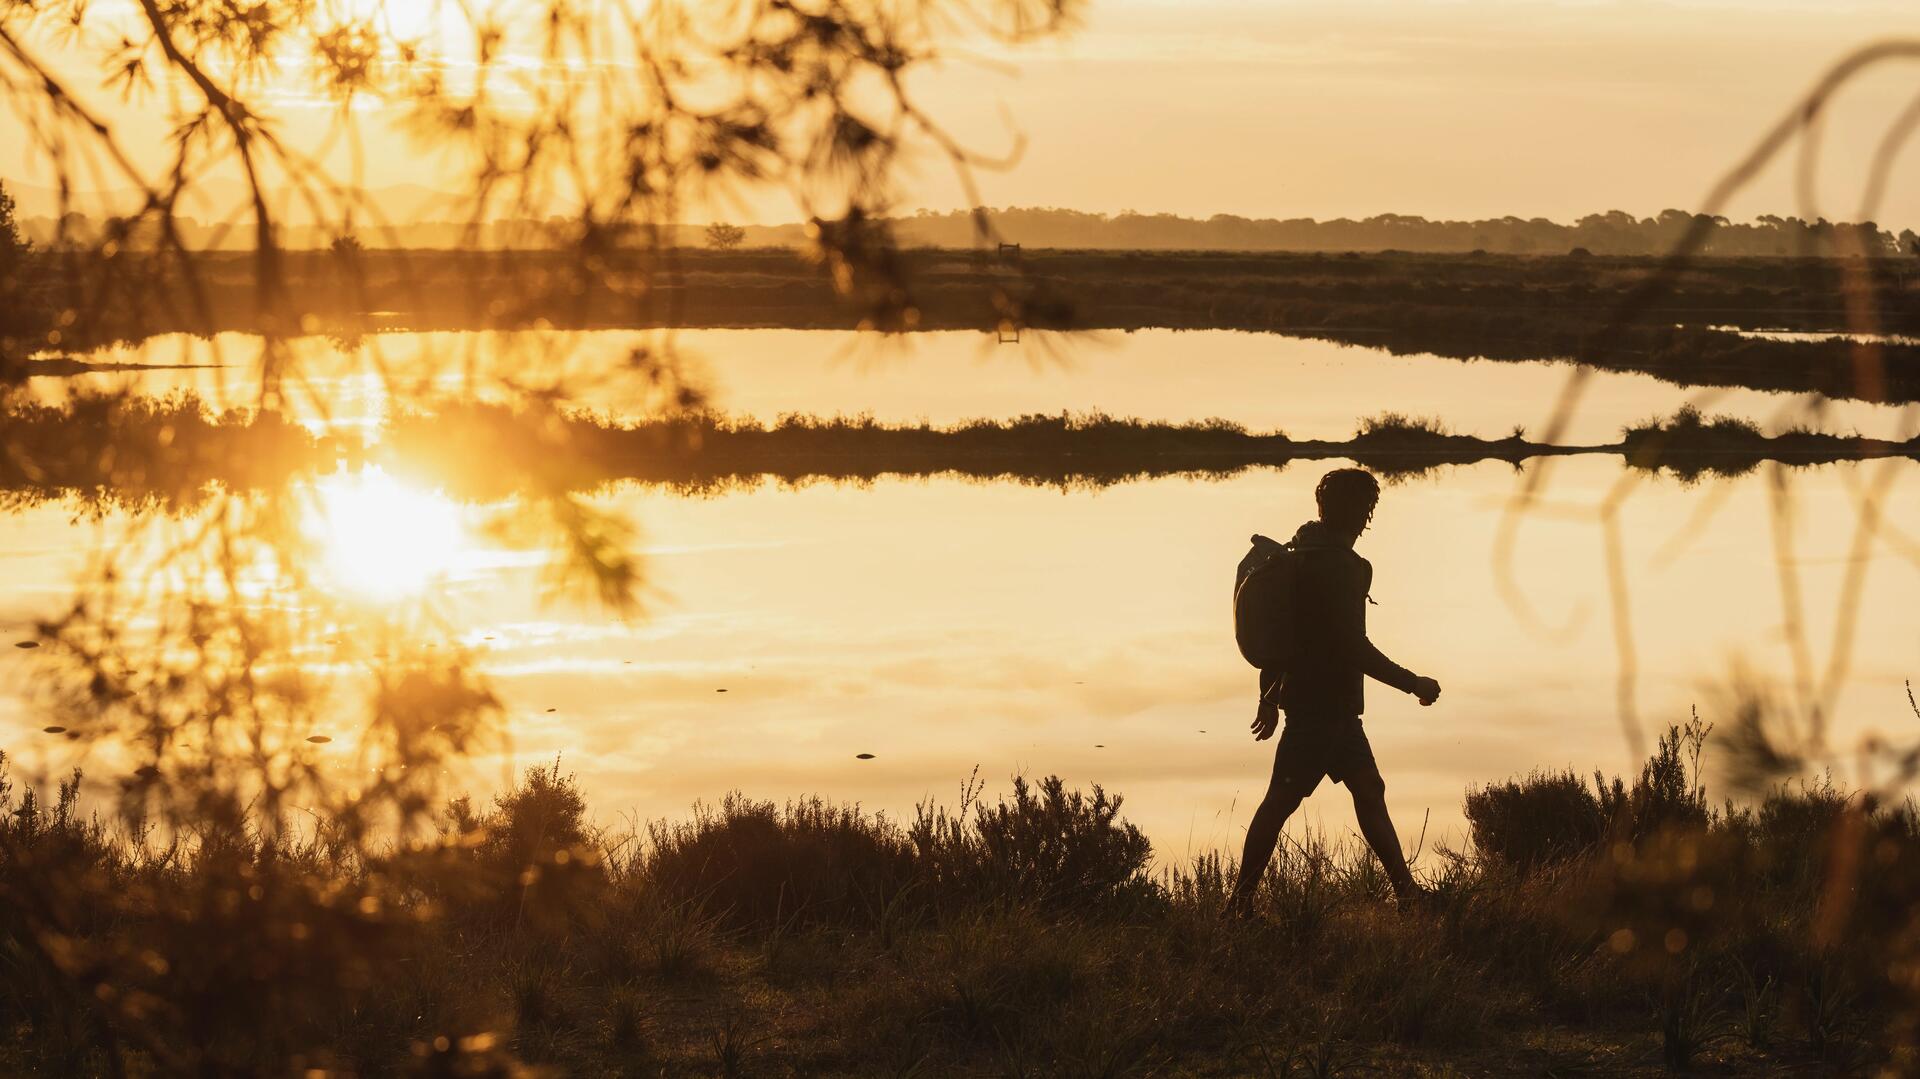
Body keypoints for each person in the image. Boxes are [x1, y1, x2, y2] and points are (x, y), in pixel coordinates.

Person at [1230, 467, 1441, 914]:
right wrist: (1412, 683)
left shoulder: (1300, 552)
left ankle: (1407, 895)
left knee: (1369, 790)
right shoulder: (1343, 567)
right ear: (1363, 512)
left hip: (1329, 711)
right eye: (1367, 509)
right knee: (1280, 803)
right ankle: (1238, 905)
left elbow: (1282, 635)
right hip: (1321, 712)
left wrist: (1268, 695)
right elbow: (1352, 647)